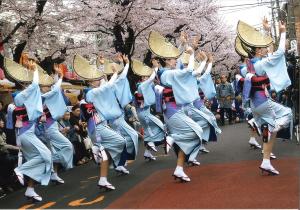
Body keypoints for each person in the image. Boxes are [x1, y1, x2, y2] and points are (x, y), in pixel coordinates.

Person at [238, 19, 293, 175]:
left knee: (269, 132)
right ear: (258, 50)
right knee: (287, 113)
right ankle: (274, 127)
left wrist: (266, 31)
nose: (265, 49)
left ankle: (266, 161)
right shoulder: (261, 64)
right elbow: (279, 52)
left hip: (255, 106)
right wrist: (282, 34)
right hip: (263, 102)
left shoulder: (247, 66)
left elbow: (264, 49)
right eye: (262, 48)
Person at [150, 31, 203, 182]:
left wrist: (183, 44)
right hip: (172, 112)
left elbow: (179, 61)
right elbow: (187, 70)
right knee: (197, 131)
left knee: (188, 139)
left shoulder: (169, 71)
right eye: (173, 59)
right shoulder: (167, 74)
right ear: (167, 61)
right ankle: (172, 138)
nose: (176, 60)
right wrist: (192, 54)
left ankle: (179, 169)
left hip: (175, 110)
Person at [75, 53, 126, 190]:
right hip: (97, 129)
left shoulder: (93, 92)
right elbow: (106, 85)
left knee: (107, 150)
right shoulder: (91, 94)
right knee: (120, 142)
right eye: (96, 79)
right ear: (91, 82)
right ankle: (103, 154)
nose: (99, 80)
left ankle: (103, 178)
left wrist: (102, 65)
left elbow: (103, 82)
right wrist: (114, 74)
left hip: (99, 127)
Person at [12, 62, 52, 202]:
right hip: (26, 134)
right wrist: (34, 71)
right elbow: (34, 85)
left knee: (38, 161)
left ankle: (30, 189)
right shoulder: (20, 97)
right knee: (46, 155)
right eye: (26, 82)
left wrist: (31, 72)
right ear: (22, 85)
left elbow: (35, 88)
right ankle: (21, 170)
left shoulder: (25, 97)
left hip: (25, 134)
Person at [39, 68, 73, 184]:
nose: (48, 87)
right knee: (67, 146)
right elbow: (55, 89)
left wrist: (57, 75)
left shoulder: (46, 94)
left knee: (54, 151)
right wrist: (61, 76)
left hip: (51, 127)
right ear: (40, 86)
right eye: (45, 86)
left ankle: (54, 174)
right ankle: (49, 164)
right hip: (48, 129)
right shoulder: (41, 96)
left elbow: (54, 87)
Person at [132, 59, 166, 161]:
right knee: (159, 127)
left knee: (148, 131)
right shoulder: (143, 85)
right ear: (142, 77)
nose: (147, 77)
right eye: (145, 76)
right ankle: (152, 143)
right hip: (145, 114)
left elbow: (154, 82)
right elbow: (151, 79)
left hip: (141, 114)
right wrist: (155, 67)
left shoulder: (138, 88)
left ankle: (147, 152)